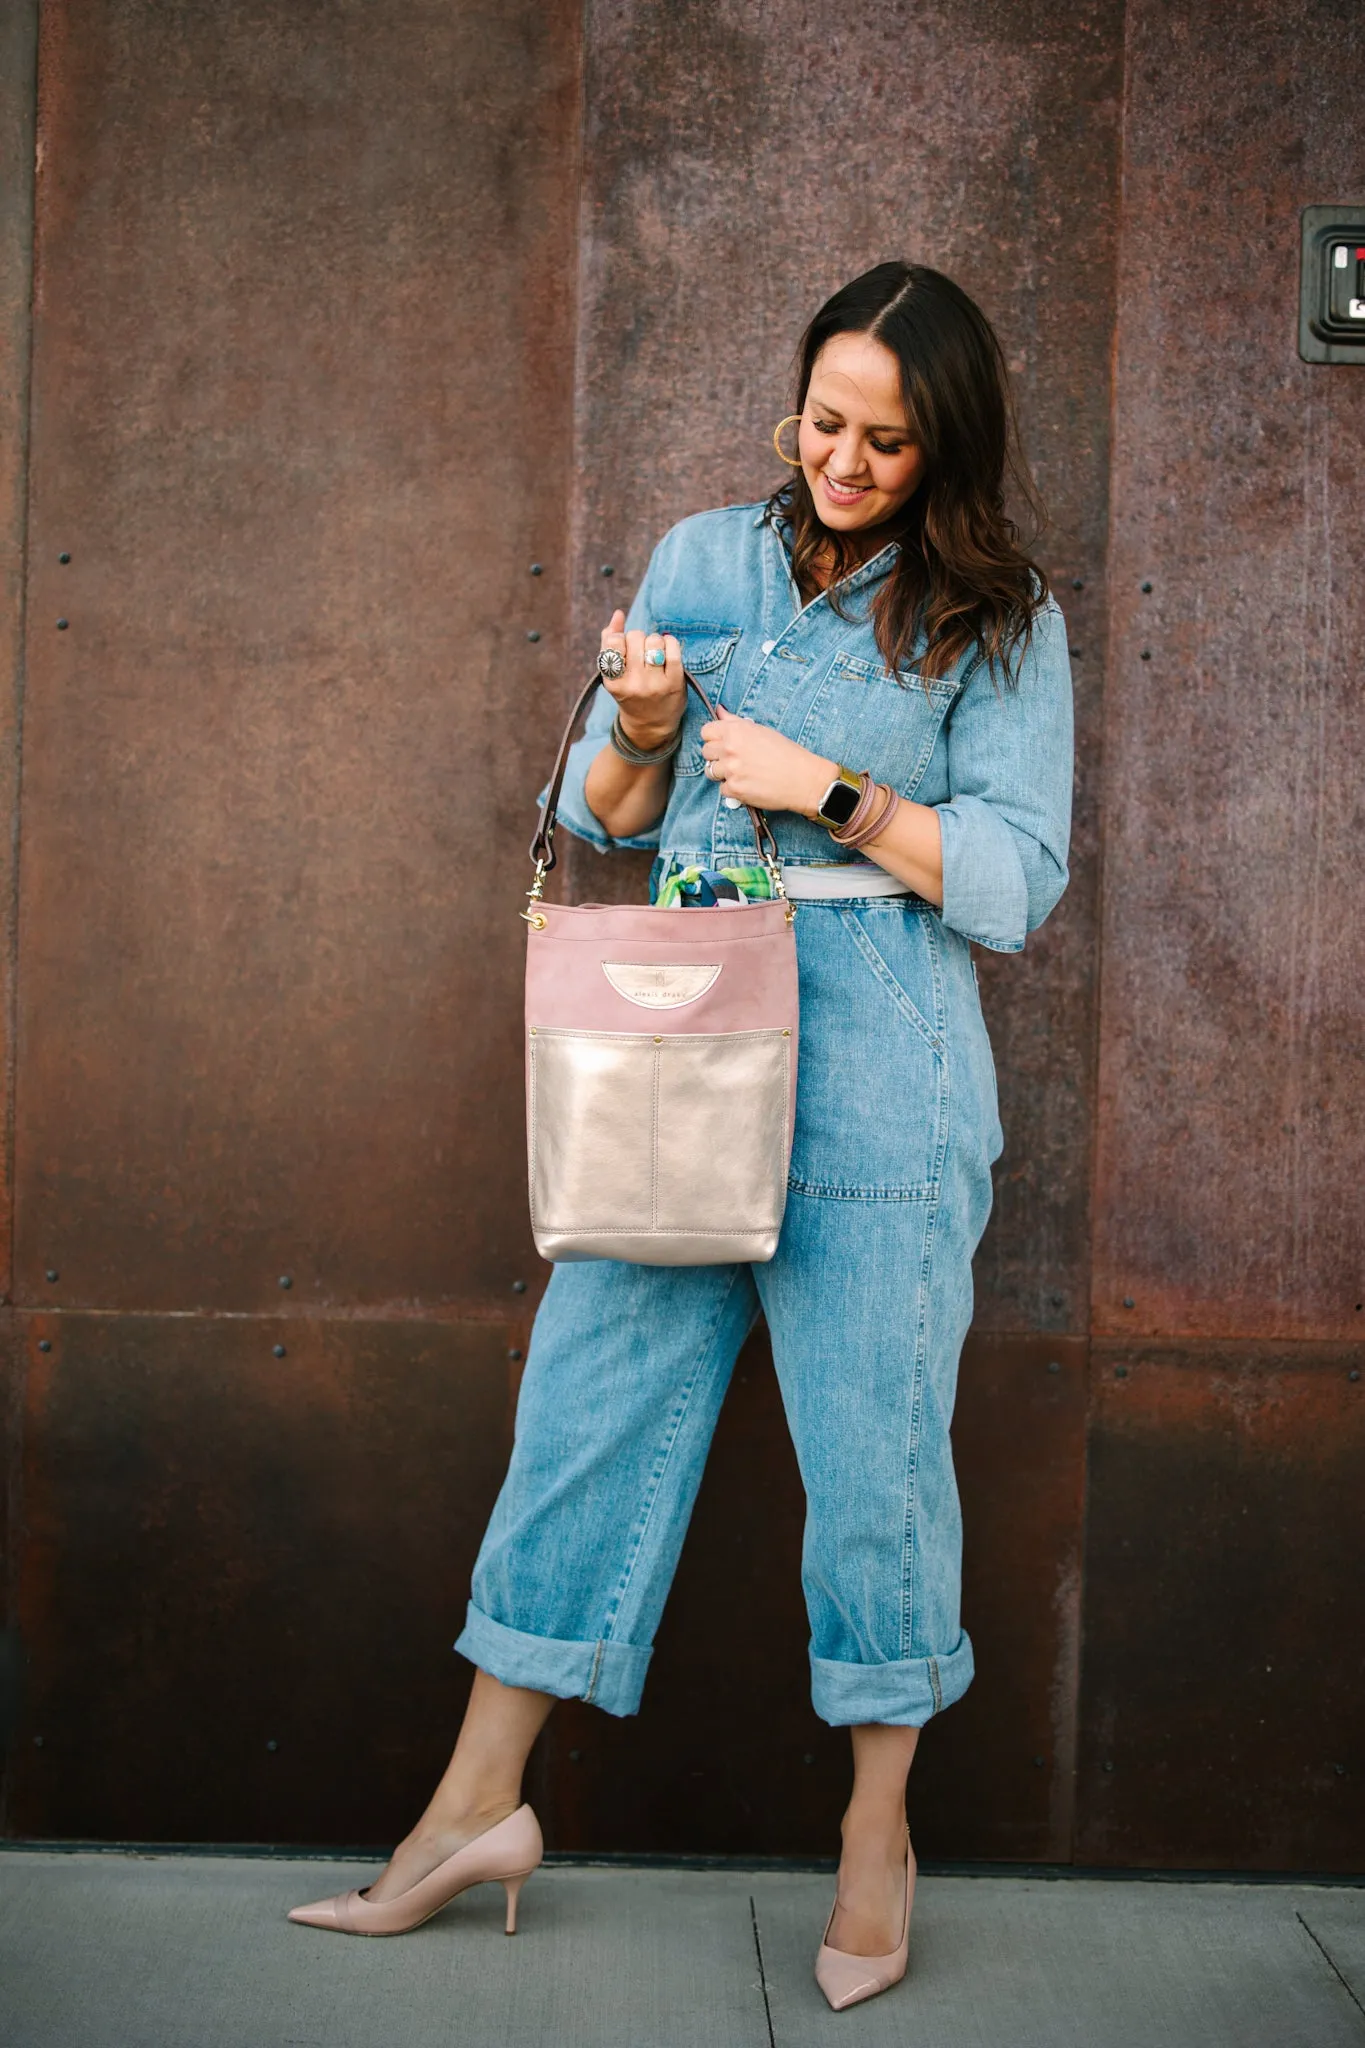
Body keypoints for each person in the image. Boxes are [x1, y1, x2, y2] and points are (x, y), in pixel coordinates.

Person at [289, 260, 1074, 2012]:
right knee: (583, 1414)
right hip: (690, 1038)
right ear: (791, 403)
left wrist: (841, 794)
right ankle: (474, 1804)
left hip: (885, 1070)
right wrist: (644, 732)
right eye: (823, 423)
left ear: (945, 443)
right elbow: (613, 816)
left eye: (887, 439)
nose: (845, 463)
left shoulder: (1001, 615)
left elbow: (1019, 880)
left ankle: (879, 1836)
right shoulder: (706, 558)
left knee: (877, 1469)